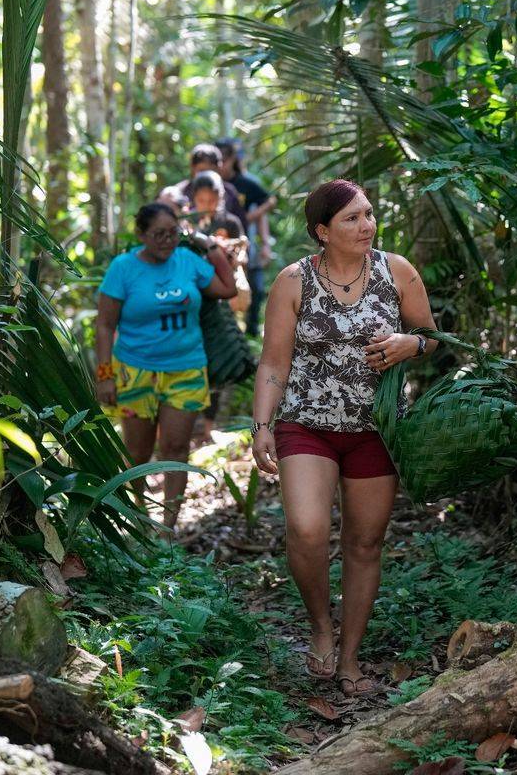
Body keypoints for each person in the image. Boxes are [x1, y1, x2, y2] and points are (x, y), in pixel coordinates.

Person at [250, 179, 437, 696]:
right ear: (322, 231)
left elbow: (431, 336)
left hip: (376, 428)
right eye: (352, 218)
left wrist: (410, 344)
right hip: (306, 423)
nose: (367, 226)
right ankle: (320, 628)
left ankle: (350, 655)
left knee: (364, 541)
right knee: (307, 529)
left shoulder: (397, 271)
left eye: (370, 215)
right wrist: (262, 424)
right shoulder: (293, 281)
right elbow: (273, 360)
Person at [95, 203, 237, 531]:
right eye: (158, 234)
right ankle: (140, 522)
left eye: (172, 233)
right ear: (141, 235)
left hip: (186, 369)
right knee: (137, 453)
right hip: (135, 370)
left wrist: (211, 246)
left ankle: (168, 529)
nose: (167, 241)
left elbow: (227, 289)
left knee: (175, 449)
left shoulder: (188, 261)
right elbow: (104, 325)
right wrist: (105, 376)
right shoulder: (123, 268)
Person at [189, 170, 249, 440]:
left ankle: (211, 424)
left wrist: (226, 251)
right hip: (198, 300)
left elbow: (243, 256)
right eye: (201, 200)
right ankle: (195, 418)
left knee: (219, 355)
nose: (207, 205)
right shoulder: (189, 223)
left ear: (220, 198)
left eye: (211, 200)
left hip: (223, 297)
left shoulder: (231, 222)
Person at [216, 138, 277, 335]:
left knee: (256, 288)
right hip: (219, 245)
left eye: (223, 160)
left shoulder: (246, 183)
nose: (220, 165)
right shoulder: (212, 182)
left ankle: (251, 330)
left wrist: (250, 221)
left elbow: (268, 203)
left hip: (245, 243)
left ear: (233, 159)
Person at [171, 144, 246, 227]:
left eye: (212, 171)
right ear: (192, 168)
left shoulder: (229, 192)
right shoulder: (180, 192)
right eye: (202, 171)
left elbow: (241, 224)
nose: (207, 175)